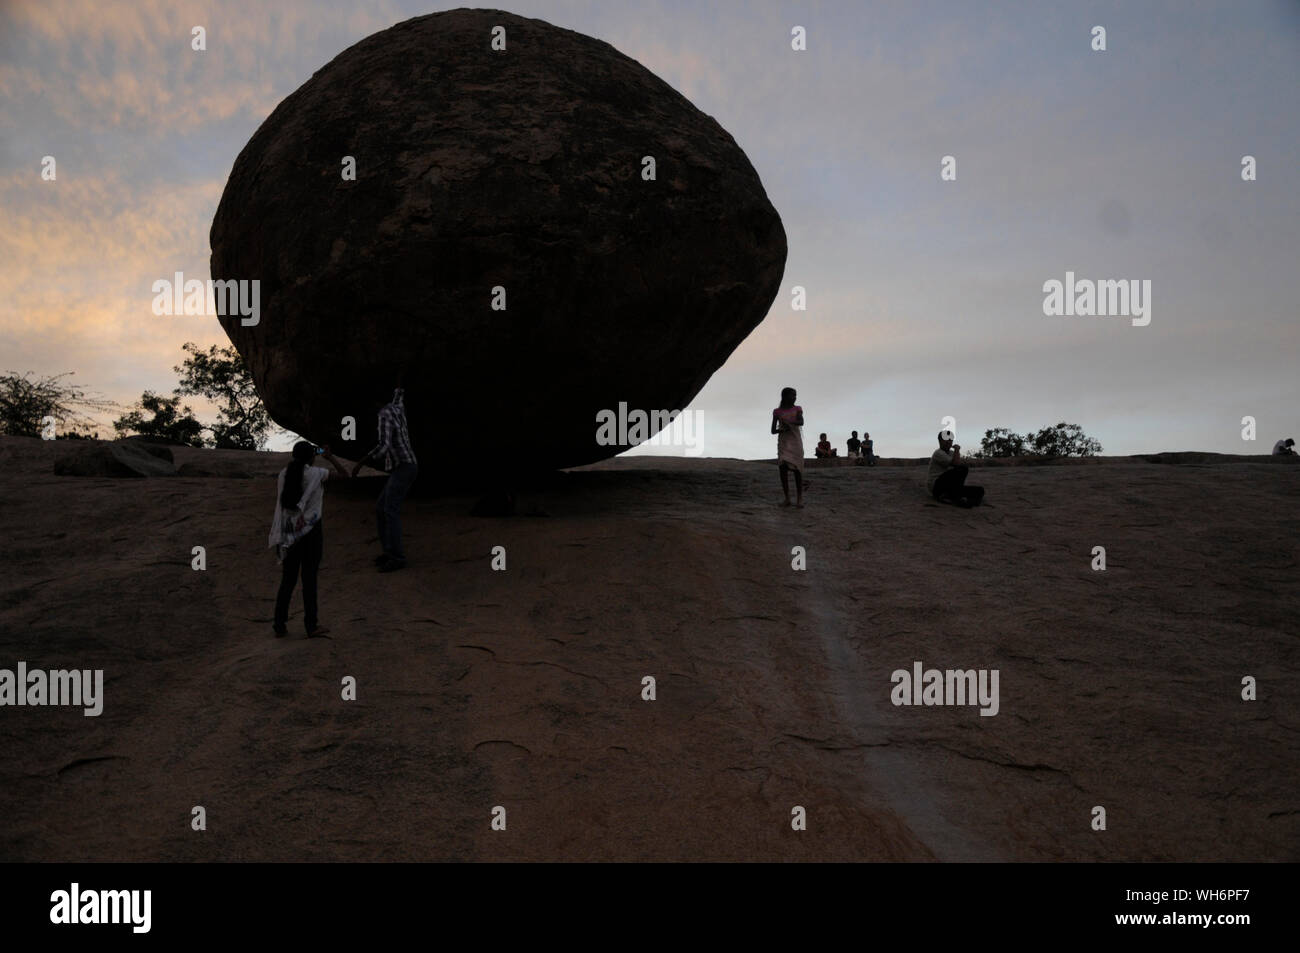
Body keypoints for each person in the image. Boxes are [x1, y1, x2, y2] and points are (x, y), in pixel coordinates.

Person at [269, 441, 350, 637]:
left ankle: (279, 625)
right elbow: (346, 476)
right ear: (312, 457)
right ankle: (311, 626)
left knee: (288, 580)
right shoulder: (317, 473)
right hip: (311, 532)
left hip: (288, 534)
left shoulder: (283, 474)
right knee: (309, 579)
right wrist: (329, 457)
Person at [353, 386, 419, 572]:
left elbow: (384, 446)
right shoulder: (397, 408)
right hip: (408, 465)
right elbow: (399, 395)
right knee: (382, 508)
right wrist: (400, 381)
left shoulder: (383, 415)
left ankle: (397, 558)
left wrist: (362, 462)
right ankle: (389, 552)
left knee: (389, 510)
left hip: (403, 467)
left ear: (375, 403)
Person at [927, 430, 984, 507]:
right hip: (937, 486)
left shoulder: (951, 453)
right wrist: (957, 449)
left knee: (980, 490)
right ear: (940, 441)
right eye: (946, 439)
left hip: (949, 487)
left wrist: (956, 452)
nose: (948, 442)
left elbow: (958, 463)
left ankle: (957, 497)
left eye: (950, 440)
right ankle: (951, 497)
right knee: (962, 469)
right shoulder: (938, 453)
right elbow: (956, 464)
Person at [771, 387, 805, 507]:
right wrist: (782, 429)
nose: (795, 397)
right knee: (783, 469)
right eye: (792, 395)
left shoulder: (798, 409)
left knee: (797, 469)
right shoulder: (777, 411)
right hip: (784, 442)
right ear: (785, 397)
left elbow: (801, 422)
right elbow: (773, 430)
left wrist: (789, 422)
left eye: (795, 395)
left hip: (795, 441)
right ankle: (787, 498)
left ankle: (799, 499)